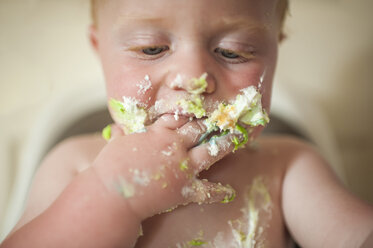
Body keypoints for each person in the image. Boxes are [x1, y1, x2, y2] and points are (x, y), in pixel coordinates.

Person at [2, 0, 373, 247]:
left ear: (275, 48)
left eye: (233, 51)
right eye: (152, 48)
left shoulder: (289, 170)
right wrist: (112, 196)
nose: (193, 75)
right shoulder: (76, 165)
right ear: (100, 50)